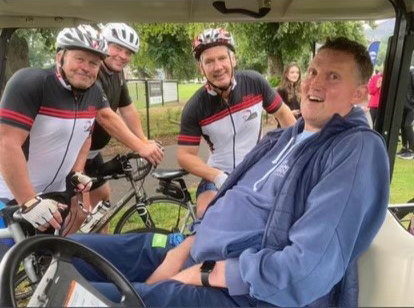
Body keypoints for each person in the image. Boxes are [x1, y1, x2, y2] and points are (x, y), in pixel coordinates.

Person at [71, 36, 390, 307]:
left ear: (360, 94)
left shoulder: (355, 149)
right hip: (192, 248)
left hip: (241, 289)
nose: (314, 83)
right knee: (69, 252)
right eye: (313, 71)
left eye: (333, 77)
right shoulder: (283, 138)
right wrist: (183, 249)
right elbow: (208, 179)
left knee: (73, 297)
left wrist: (206, 272)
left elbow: (307, 270)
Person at [177, 28, 296, 217]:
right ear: (201, 68)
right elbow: (184, 156)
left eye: (222, 58)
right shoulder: (195, 106)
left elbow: (283, 114)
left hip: (255, 168)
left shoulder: (255, 82)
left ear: (233, 60)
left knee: (273, 214)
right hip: (217, 173)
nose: (217, 67)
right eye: (209, 61)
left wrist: (298, 148)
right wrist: (216, 176)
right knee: (207, 217)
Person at [0, 25, 109, 232]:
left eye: (94, 63)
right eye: (80, 59)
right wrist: (29, 201)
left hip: (54, 197)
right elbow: (6, 143)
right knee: (8, 262)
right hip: (9, 196)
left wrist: (76, 171)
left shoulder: (93, 92)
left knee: (47, 262)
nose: (86, 67)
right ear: (60, 57)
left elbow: (86, 134)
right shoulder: (31, 82)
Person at [85, 23, 164, 208]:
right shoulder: (93, 73)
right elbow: (104, 116)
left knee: (102, 200)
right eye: (117, 48)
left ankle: (98, 238)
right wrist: (140, 147)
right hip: (73, 155)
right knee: (76, 211)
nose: (123, 56)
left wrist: (143, 140)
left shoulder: (117, 74)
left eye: (128, 52)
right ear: (103, 44)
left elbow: (127, 108)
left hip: (93, 152)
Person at [397, 66, 414, 159]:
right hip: (405, 104)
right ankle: (405, 148)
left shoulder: (411, 72)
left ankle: (412, 150)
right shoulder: (404, 72)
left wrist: (412, 101)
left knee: (407, 125)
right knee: (403, 125)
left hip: (411, 106)